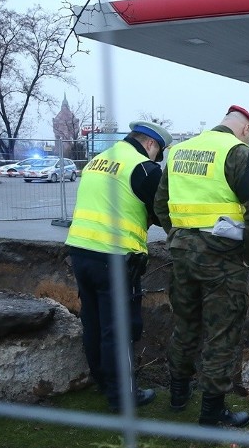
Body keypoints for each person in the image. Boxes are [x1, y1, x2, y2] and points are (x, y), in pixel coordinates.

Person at [154, 105, 249, 427]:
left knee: (185, 325)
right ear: (246, 130)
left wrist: (179, 235)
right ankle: (211, 413)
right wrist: (247, 255)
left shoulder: (179, 151)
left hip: (181, 254)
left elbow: (160, 203)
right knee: (222, 334)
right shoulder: (238, 153)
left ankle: (178, 397)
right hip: (222, 259)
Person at [65, 120, 171, 412]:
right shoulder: (143, 168)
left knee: (94, 322)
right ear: (150, 144)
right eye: (157, 151)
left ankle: (103, 381)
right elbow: (162, 213)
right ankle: (122, 395)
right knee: (119, 329)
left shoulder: (99, 160)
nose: (155, 158)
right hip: (114, 258)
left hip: (80, 251)